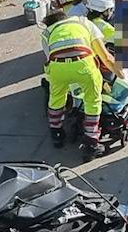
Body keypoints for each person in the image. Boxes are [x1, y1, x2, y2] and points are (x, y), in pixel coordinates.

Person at [42, 9, 116, 158]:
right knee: (92, 101)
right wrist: (120, 75)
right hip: (84, 65)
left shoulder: (47, 33)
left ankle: (56, 133)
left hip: (58, 67)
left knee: (56, 98)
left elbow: (49, 56)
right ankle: (92, 142)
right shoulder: (84, 22)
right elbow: (105, 55)